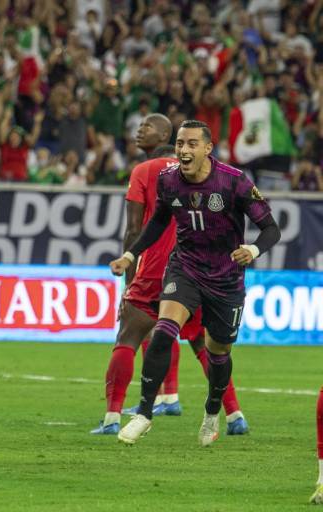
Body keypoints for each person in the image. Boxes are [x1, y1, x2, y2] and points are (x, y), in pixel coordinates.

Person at [110, 120, 280, 446]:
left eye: (191, 145)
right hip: (185, 268)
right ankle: (144, 413)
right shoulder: (168, 180)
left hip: (226, 278)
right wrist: (131, 256)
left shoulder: (234, 182)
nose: (184, 151)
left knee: (218, 354)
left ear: (207, 149)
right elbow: (159, 220)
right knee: (163, 331)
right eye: (180, 144)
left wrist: (253, 248)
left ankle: (213, 410)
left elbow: (271, 228)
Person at [91, 115, 248, 436]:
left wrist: (129, 273)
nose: (138, 130)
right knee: (206, 346)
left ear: (165, 135)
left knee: (129, 338)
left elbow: (135, 228)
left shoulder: (146, 172)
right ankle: (233, 415)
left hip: (155, 270)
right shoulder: (202, 174)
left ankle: (112, 417)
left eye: (147, 126)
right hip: (197, 269)